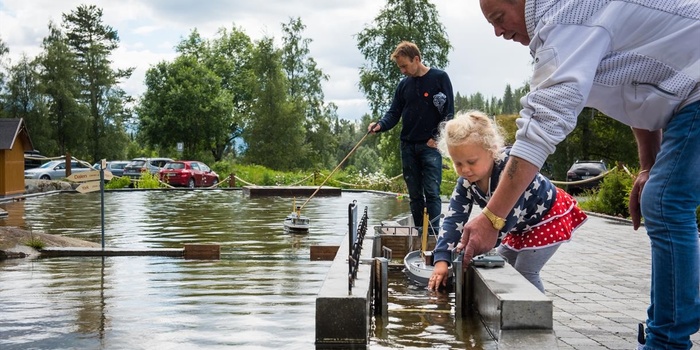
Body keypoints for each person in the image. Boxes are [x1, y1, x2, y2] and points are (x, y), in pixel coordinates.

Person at [467, 0, 700, 349]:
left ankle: (667, 342)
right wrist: (648, 165)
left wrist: (492, 218)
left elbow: (542, 124)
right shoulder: (564, 23)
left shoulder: (567, 18)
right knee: (662, 198)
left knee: (666, 202)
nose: (498, 32)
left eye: (499, 19)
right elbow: (635, 91)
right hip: (685, 90)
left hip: (694, 86)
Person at [427, 110, 587, 293]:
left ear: (492, 150)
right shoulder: (466, 183)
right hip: (518, 226)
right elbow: (453, 219)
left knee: (526, 272)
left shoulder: (509, 168)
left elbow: (504, 220)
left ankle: (535, 318)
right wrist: (441, 260)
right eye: (458, 164)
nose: (465, 170)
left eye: (471, 162)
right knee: (502, 265)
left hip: (547, 218)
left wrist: (471, 251)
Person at [367, 41, 454, 234]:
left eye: (404, 66)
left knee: (432, 192)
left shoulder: (440, 78)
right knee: (415, 195)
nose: (402, 71)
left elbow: (448, 114)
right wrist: (379, 125)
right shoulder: (403, 85)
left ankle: (432, 236)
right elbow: (393, 113)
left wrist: (436, 138)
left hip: (430, 146)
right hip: (407, 146)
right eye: (400, 67)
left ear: (416, 59)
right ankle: (418, 233)